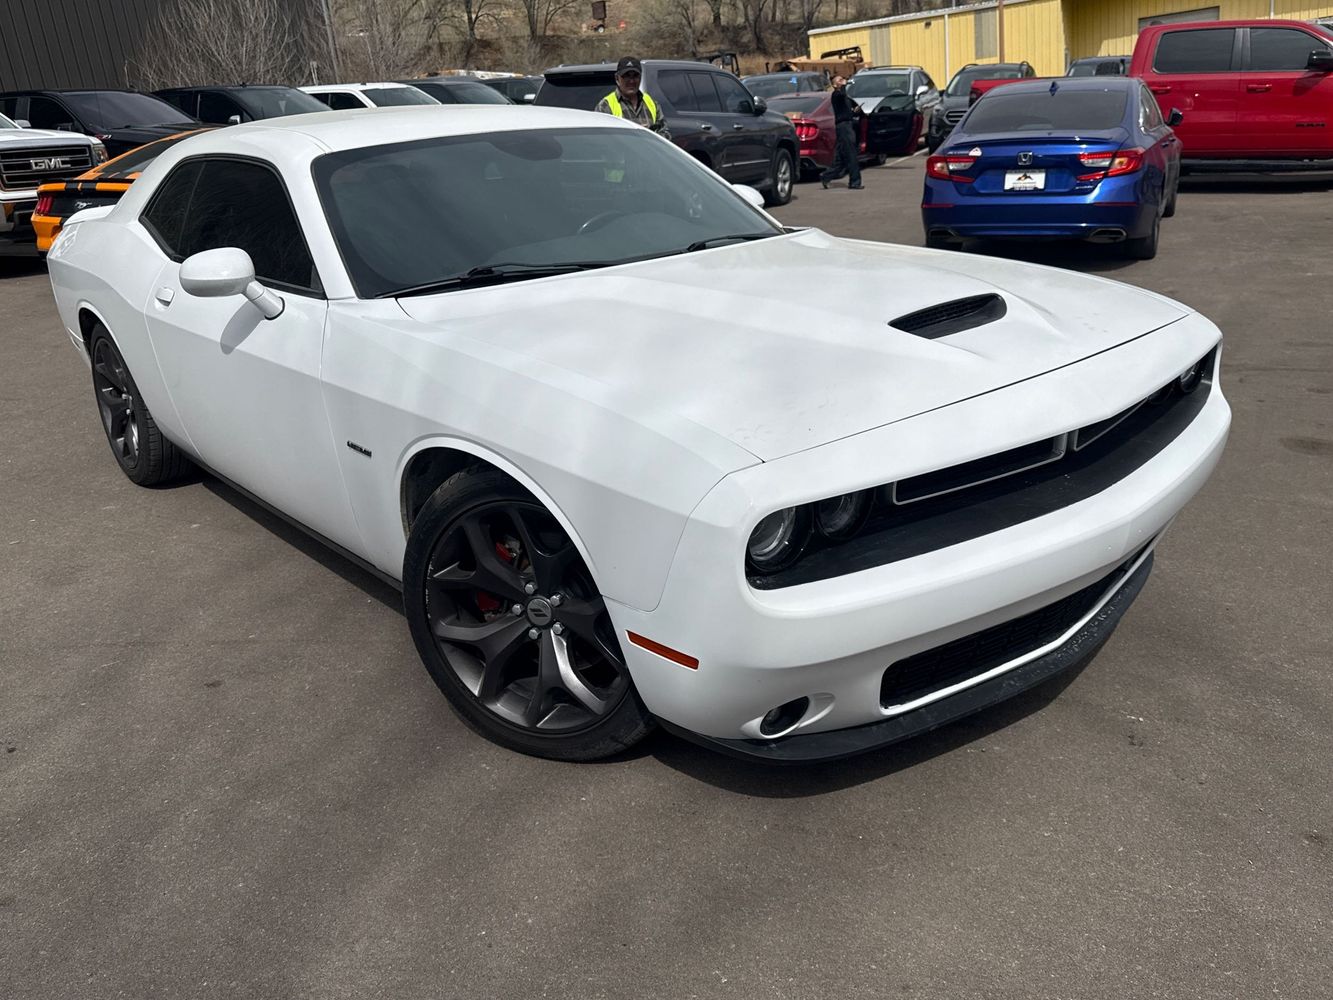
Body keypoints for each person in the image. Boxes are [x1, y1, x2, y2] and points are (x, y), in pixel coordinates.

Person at [595, 56, 671, 140]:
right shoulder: (605, 106)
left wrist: (649, 135)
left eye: (635, 76)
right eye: (626, 76)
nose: (631, 81)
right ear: (617, 78)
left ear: (640, 77)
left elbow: (666, 135)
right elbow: (601, 140)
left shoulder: (652, 104)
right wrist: (632, 136)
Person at [820, 74, 863, 190]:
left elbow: (847, 112)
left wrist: (854, 111)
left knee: (842, 157)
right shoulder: (836, 95)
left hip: (848, 125)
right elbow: (841, 94)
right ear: (834, 85)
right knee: (851, 154)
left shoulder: (845, 97)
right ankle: (855, 182)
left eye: (843, 79)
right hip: (843, 127)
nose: (843, 80)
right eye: (840, 80)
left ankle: (826, 175)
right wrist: (843, 85)